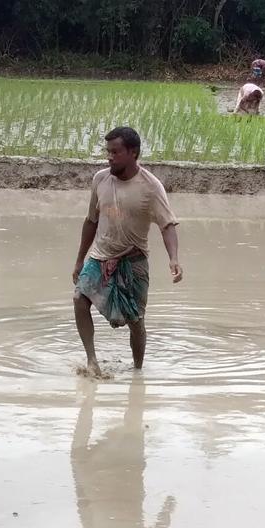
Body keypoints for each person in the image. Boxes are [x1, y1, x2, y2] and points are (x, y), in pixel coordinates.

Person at [72, 127, 183, 376]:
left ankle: (137, 371)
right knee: (80, 299)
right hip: (100, 256)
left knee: (136, 322)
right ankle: (92, 361)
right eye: (108, 152)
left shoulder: (151, 187)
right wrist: (79, 260)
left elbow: (167, 225)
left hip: (133, 262)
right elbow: (91, 221)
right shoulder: (100, 179)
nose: (110, 157)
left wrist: (173, 258)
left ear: (133, 153)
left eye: (116, 152)